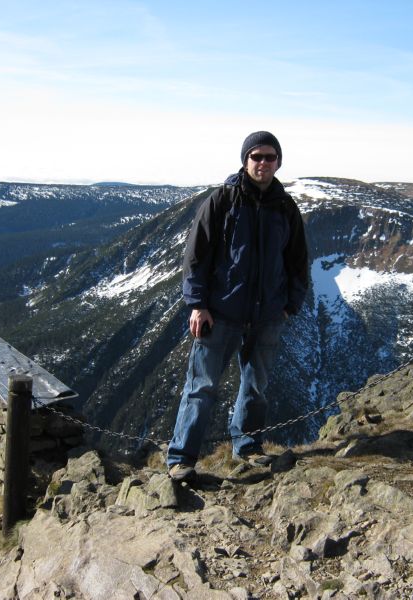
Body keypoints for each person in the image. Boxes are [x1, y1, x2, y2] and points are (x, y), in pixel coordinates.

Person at [166, 131, 309, 481]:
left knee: (255, 387)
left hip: (267, 316)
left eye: (270, 157)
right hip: (221, 313)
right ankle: (181, 458)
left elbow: (297, 261)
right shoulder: (222, 201)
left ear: (278, 162)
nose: (263, 163)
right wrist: (197, 304)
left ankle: (246, 448)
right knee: (202, 386)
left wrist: (289, 305)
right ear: (245, 160)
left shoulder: (285, 208)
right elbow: (196, 256)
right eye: (257, 156)